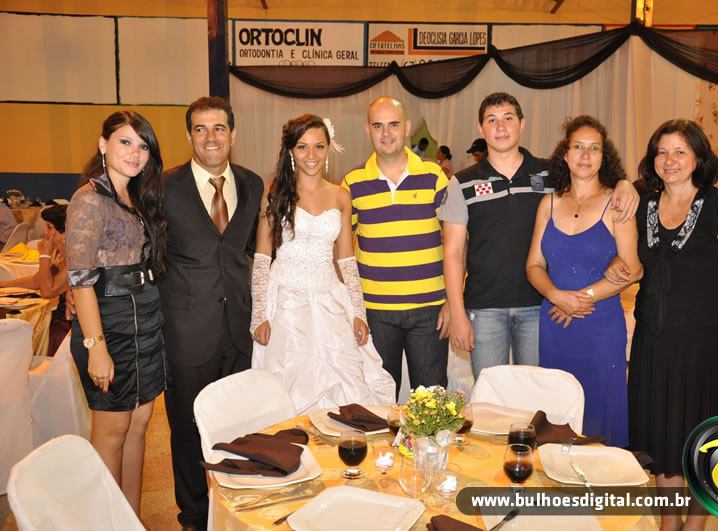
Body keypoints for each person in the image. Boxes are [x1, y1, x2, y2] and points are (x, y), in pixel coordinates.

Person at [614, 119, 718, 530]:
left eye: (680, 152)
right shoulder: (645, 205)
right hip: (654, 341)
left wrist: (717, 296)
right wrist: (624, 185)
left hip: (706, 344)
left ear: (699, 158)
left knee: (704, 437)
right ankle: (670, 522)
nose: (670, 160)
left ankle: (697, 524)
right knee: (663, 436)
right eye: (662, 152)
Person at [440, 93, 639, 380]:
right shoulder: (462, 182)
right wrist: (457, 310)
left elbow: (592, 181)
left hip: (539, 306)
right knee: (489, 395)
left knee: (537, 395)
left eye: (508, 118)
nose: (500, 127)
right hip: (484, 308)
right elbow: (453, 252)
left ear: (522, 124)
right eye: (491, 120)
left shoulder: (549, 174)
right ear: (481, 129)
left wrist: (625, 184)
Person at [159, 96, 263, 529]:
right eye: (200, 129)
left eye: (219, 128)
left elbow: (256, 252)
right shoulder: (164, 186)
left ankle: (234, 513)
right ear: (188, 136)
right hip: (187, 330)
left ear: (233, 134)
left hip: (239, 328)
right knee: (187, 431)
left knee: (239, 426)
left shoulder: (253, 184)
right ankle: (194, 517)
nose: (210, 138)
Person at [250, 114, 395, 411]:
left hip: (330, 299)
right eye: (302, 147)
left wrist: (359, 313)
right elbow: (262, 258)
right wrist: (259, 315)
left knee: (347, 384)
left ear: (328, 148)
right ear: (290, 151)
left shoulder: (341, 196)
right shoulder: (274, 193)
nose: (311, 155)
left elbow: (347, 261)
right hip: (286, 304)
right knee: (288, 390)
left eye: (319, 146)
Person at [66, 111, 167, 516]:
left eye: (142, 146)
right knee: (112, 431)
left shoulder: (140, 198)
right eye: (125, 142)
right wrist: (96, 347)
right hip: (110, 324)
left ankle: (131, 519)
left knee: (139, 425)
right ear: (102, 144)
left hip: (146, 320)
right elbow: (81, 281)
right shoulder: (88, 199)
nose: (135, 153)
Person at [525, 116, 641, 447]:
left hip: (599, 326)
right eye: (578, 147)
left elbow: (633, 270)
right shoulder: (548, 203)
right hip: (555, 323)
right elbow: (533, 264)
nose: (585, 155)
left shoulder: (617, 204)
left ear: (604, 156)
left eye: (594, 148)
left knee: (599, 413)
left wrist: (580, 297)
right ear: (565, 154)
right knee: (556, 415)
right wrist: (556, 295)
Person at [342, 96, 450, 398]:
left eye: (393, 124)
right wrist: (353, 309)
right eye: (378, 126)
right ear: (367, 130)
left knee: (432, 402)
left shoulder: (434, 176)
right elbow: (342, 254)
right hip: (375, 311)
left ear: (407, 127)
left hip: (430, 309)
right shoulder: (352, 183)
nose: (386, 133)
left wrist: (453, 302)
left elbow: (456, 245)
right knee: (378, 402)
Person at [0, 205, 70, 356]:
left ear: (65, 232)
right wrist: (2, 284)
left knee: (25, 336)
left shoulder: (74, 258)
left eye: (49, 227)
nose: (45, 232)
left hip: (67, 325)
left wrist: (44, 255)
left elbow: (47, 291)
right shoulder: (59, 252)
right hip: (56, 318)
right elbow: (36, 281)